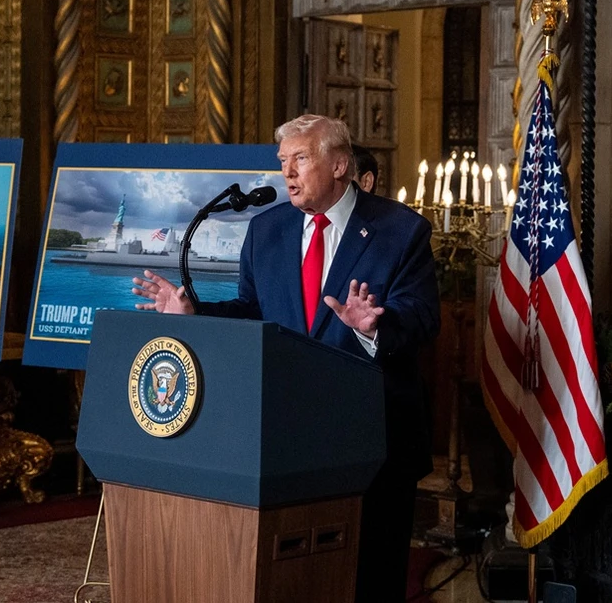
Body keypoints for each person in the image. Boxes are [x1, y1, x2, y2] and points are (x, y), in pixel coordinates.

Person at [132, 114, 439, 603]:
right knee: (295, 578)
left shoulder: (400, 230)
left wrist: (374, 325)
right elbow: (253, 311)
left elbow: (423, 318)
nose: (288, 173)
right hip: (287, 437)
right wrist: (195, 314)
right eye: (283, 161)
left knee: (371, 579)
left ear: (339, 165)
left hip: (374, 436)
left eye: (300, 159)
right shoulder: (267, 229)